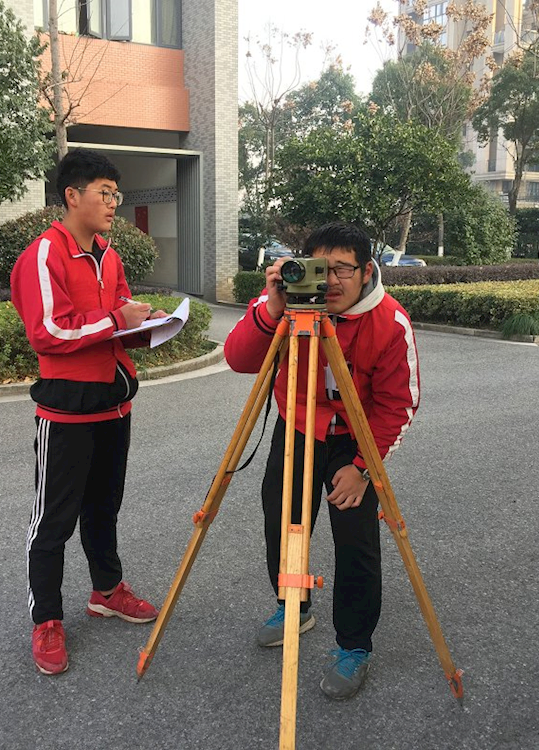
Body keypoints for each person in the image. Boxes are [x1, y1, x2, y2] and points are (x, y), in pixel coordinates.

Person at [223, 221, 420, 700]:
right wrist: (272, 307)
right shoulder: (289, 304)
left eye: (342, 270)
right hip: (298, 427)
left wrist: (362, 467)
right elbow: (239, 359)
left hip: (355, 440)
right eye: (320, 268)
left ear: (367, 271)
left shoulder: (389, 321)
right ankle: (292, 605)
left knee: (356, 543)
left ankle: (354, 645)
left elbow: (399, 403)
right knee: (283, 523)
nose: (329, 281)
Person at [10, 148, 167, 675]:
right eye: (105, 193)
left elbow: (115, 319)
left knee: (104, 509)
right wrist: (116, 320)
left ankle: (106, 590)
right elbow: (48, 331)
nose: (113, 203)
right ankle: (47, 620)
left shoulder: (109, 254)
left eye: (116, 194)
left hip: (114, 406)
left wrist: (147, 325)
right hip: (66, 414)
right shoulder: (43, 255)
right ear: (72, 196)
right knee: (52, 522)